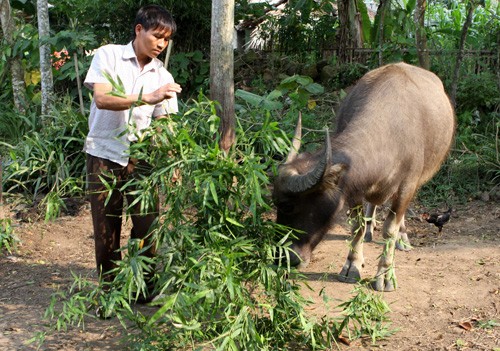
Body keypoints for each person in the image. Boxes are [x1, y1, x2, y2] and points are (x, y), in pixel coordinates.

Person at [83, 4, 181, 302]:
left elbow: (164, 122)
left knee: (147, 226)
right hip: (104, 153)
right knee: (105, 229)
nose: (161, 45)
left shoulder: (162, 74)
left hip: (142, 159)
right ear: (139, 30)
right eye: (157, 37)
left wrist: (173, 159)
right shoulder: (108, 55)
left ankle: (143, 287)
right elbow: (102, 98)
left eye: (166, 40)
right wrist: (146, 97)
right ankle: (109, 293)